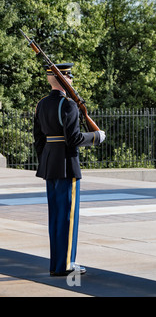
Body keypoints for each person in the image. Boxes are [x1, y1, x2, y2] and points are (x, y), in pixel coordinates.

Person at [33, 63, 106, 277]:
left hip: (50, 165)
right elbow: (73, 139)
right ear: (66, 80)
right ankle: (66, 265)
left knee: (55, 216)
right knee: (68, 217)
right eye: (70, 77)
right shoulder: (68, 105)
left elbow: (38, 140)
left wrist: (45, 161)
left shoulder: (42, 104)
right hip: (66, 165)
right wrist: (96, 137)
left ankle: (57, 263)